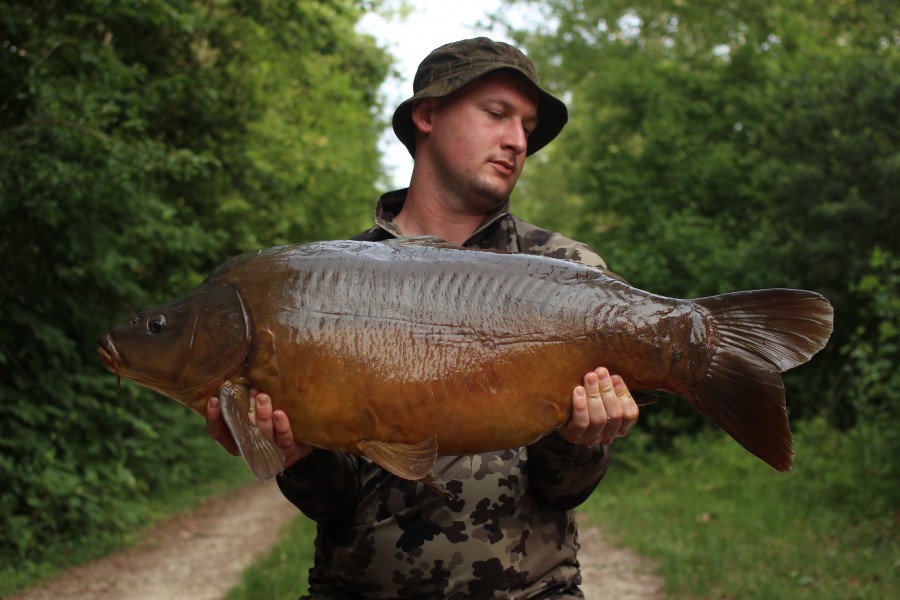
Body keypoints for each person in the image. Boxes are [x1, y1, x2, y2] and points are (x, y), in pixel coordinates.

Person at [207, 37, 640, 599]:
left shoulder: (565, 270)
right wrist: (297, 458)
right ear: (427, 114)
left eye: (527, 128)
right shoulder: (322, 281)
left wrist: (582, 440)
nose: (516, 141)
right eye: (496, 114)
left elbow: (563, 491)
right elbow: (333, 504)